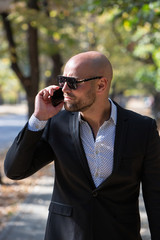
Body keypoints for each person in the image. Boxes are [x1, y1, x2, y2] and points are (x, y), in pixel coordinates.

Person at [4, 51, 160, 240]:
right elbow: (15, 171)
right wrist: (38, 119)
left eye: (73, 82)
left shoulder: (142, 128)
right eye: (62, 80)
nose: (64, 89)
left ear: (101, 84)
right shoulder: (56, 124)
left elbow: (155, 195)